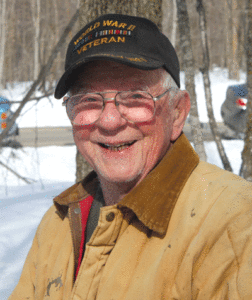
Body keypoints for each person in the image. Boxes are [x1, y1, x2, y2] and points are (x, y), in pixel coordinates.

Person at [10, 14, 252, 300]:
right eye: (88, 99)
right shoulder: (61, 220)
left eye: (136, 97)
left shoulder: (233, 222)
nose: (110, 121)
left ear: (177, 113)